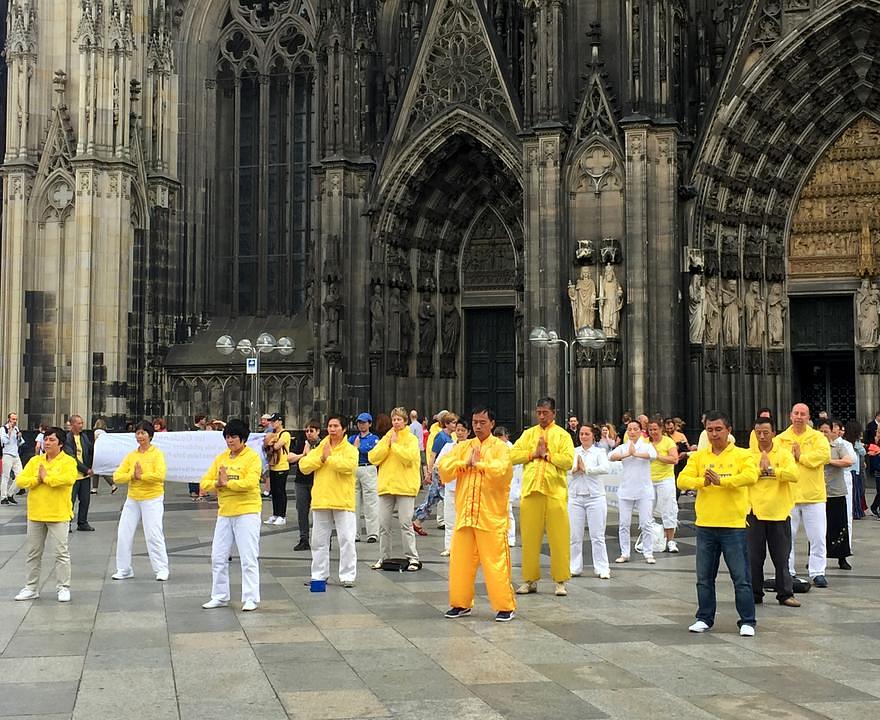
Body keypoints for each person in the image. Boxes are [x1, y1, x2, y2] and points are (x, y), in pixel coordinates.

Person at [677, 411, 759, 636]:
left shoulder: (742, 454)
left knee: (740, 577)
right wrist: (701, 482)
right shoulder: (699, 457)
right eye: (710, 430)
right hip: (706, 524)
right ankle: (704, 617)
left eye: (718, 429)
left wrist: (722, 481)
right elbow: (682, 480)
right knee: (704, 578)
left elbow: (751, 476)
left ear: (728, 430)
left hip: (733, 525)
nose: (714, 434)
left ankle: (747, 620)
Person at [439, 407, 516, 622]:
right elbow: (444, 468)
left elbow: (502, 471)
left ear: (492, 423)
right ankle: (460, 603)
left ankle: (505, 606)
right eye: (475, 422)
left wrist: (480, 464)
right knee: (460, 563)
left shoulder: (500, 448)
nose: (478, 426)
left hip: (490, 516)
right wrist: (464, 464)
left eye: (483, 422)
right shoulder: (464, 446)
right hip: (465, 514)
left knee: (495, 564)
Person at [510, 397, 575, 596]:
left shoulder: (563, 435)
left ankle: (560, 581)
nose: (541, 416)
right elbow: (512, 456)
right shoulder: (528, 434)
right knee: (529, 538)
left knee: (559, 538)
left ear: (554, 413)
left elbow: (568, 461)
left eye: (545, 413)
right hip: (531, 492)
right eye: (538, 412)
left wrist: (548, 455)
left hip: (555, 492)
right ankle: (529, 580)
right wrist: (533, 454)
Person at [200, 419, 263, 611]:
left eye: (234, 437)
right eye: (227, 437)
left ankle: (250, 597)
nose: (230, 441)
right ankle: (219, 596)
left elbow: (250, 483)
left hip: (247, 511)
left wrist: (227, 484)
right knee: (218, 556)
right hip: (225, 512)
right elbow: (205, 483)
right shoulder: (221, 458)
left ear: (243, 438)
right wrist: (217, 484)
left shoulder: (252, 458)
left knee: (248, 557)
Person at [14, 427, 78, 602]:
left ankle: (63, 587)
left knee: (60, 553)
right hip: (36, 513)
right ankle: (31, 587)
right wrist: (36, 480)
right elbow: (20, 480)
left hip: (58, 514)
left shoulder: (68, 461)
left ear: (61, 444)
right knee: (33, 552)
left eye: (52, 440)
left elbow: (68, 479)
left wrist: (47, 479)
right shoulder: (35, 460)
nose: (47, 443)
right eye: (46, 439)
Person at [299, 415, 359, 587]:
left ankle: (347, 575)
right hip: (321, 499)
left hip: (342, 500)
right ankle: (319, 575)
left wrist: (329, 459)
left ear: (344, 429)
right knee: (319, 540)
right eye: (330, 426)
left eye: (336, 426)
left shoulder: (350, 449)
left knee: (346, 539)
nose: (332, 429)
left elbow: (348, 467)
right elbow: (304, 466)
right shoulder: (322, 447)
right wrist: (321, 458)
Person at [747, 416, 800, 607]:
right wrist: (759, 471)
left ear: (774, 433)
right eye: (758, 433)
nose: (761, 436)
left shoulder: (784, 454)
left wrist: (771, 470)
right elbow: (745, 476)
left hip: (779, 512)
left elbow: (794, 474)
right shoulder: (748, 455)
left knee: (781, 557)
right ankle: (754, 593)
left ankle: (785, 593)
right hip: (754, 512)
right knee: (754, 558)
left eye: (765, 432)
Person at [777, 403, 831, 587]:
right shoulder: (781, 439)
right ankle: (788, 571)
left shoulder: (818, 437)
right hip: (789, 494)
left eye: (803, 414)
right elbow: (777, 460)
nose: (799, 417)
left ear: (808, 418)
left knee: (817, 536)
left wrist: (801, 457)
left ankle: (817, 571)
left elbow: (824, 456)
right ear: (790, 416)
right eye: (796, 413)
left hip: (813, 495)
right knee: (787, 537)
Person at [111, 421, 170, 581]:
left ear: (150, 435)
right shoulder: (132, 455)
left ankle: (161, 568)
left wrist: (141, 476)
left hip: (152, 498)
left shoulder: (157, 454)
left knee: (153, 534)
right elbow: (117, 476)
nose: (140, 436)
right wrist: (132, 475)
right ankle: (124, 569)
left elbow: (160, 475)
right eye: (137, 433)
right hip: (133, 498)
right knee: (123, 533)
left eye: (143, 433)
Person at [369, 407, 422, 571]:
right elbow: (373, 457)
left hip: (405, 486)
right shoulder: (387, 437)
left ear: (405, 421)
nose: (396, 422)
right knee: (383, 524)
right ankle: (384, 557)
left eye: (399, 419)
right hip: (386, 486)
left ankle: (413, 558)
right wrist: (387, 445)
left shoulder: (411, 439)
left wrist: (395, 445)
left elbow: (408, 458)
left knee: (405, 523)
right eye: (394, 419)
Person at [609, 420, 658, 563]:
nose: (632, 432)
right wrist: (627, 454)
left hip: (644, 491)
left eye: (635, 429)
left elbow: (653, 455)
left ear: (640, 431)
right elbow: (610, 456)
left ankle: (648, 553)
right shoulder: (623, 447)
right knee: (624, 524)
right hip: (626, 490)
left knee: (646, 523)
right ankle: (625, 553)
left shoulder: (647, 446)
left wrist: (635, 454)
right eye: (629, 429)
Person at [569, 425, 612, 579]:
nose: (583, 436)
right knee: (574, 535)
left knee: (597, 535)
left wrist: (586, 469)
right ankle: (574, 567)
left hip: (595, 497)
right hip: (575, 497)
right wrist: (574, 469)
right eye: (581, 434)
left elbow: (605, 468)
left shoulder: (599, 452)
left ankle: (602, 567)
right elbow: (566, 469)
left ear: (593, 436)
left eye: (587, 434)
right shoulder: (574, 451)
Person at [413, 412, 457, 535]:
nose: (455, 425)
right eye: (453, 423)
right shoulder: (441, 437)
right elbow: (433, 455)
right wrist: (429, 471)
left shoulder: (450, 437)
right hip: (439, 471)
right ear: (446, 424)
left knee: (433, 498)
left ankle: (417, 521)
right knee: (444, 497)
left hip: (444, 470)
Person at [818, 419, 853, 570]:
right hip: (818, 493)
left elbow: (848, 461)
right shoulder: (813, 448)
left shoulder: (839, 446)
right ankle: (817, 559)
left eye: (826, 431)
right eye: (821, 431)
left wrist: (829, 461)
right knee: (818, 528)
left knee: (839, 525)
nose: (823, 434)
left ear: (833, 432)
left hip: (836, 492)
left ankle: (842, 558)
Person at [440, 419, 472, 555]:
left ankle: (464, 547)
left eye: (463, 430)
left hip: (465, 487)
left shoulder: (472, 447)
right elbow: (440, 463)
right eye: (458, 430)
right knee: (449, 518)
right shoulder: (449, 447)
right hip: (450, 486)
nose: (459, 433)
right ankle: (449, 547)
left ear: (468, 432)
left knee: (465, 519)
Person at [648, 417, 680, 553]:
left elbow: (674, 459)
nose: (653, 432)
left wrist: (657, 456)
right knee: (647, 511)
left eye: (655, 429)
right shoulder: (645, 442)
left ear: (661, 429)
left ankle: (671, 540)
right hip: (648, 480)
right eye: (650, 429)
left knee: (668, 509)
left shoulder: (668, 442)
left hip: (665, 480)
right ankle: (649, 539)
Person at [348, 412, 380, 542]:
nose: (361, 425)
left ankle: (372, 533)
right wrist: (355, 449)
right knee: (353, 503)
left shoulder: (374, 438)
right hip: (355, 467)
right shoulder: (352, 438)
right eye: (359, 423)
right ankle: (354, 533)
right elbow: (347, 451)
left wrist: (357, 449)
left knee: (370, 502)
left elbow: (373, 452)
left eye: (364, 423)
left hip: (368, 468)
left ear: (369, 424)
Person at [289, 422, 320, 551]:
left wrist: (310, 455)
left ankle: (323, 539)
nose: (308, 433)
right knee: (302, 511)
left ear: (318, 431)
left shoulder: (322, 444)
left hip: (317, 481)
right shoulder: (302, 443)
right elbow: (289, 457)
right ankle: (304, 539)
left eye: (311, 431)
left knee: (320, 512)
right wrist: (303, 455)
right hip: (301, 481)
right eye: (306, 431)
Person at [65, 415, 95, 531]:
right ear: (72, 425)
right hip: (73, 476)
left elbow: (91, 450)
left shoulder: (84, 437)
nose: (81, 425)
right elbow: (72, 458)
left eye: (82, 423)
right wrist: (86, 469)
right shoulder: (67, 439)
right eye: (79, 423)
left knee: (85, 500)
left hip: (85, 477)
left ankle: (82, 523)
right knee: (70, 501)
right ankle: (67, 523)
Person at [493, 426, 522, 548]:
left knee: (507, 511)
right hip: (496, 483)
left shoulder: (512, 449)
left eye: (501, 436)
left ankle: (510, 537)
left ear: (506, 436)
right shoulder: (493, 448)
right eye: (496, 437)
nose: (499, 439)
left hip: (509, 483)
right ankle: (498, 536)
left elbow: (515, 468)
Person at [263, 413, 291, 526]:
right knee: (274, 492)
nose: (272, 423)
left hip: (282, 466)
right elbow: (265, 444)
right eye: (271, 421)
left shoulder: (285, 434)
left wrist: (271, 441)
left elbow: (276, 446)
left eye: (274, 421)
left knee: (280, 492)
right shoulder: (273, 433)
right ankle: (275, 514)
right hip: (273, 465)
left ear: (280, 421)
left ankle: (282, 515)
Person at [1, 412, 25, 504]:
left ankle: (10, 494)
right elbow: (4, 441)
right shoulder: (3, 429)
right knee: (5, 476)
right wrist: (10, 432)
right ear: (9, 419)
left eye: (16, 419)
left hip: (15, 454)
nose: (15, 421)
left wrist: (19, 437)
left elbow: (20, 443)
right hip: (7, 454)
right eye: (13, 419)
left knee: (20, 475)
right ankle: (3, 497)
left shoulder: (16, 429)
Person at [90, 418, 117, 495]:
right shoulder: (104, 433)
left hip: (98, 453)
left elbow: (96, 442)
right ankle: (112, 485)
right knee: (99, 470)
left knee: (97, 470)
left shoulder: (96, 432)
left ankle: (96, 488)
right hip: (103, 452)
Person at [190, 414, 208, 501]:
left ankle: (201, 490)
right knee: (193, 473)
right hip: (194, 453)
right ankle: (193, 490)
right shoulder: (192, 429)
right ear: (200, 420)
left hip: (201, 453)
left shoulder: (204, 429)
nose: (205, 421)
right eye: (204, 419)